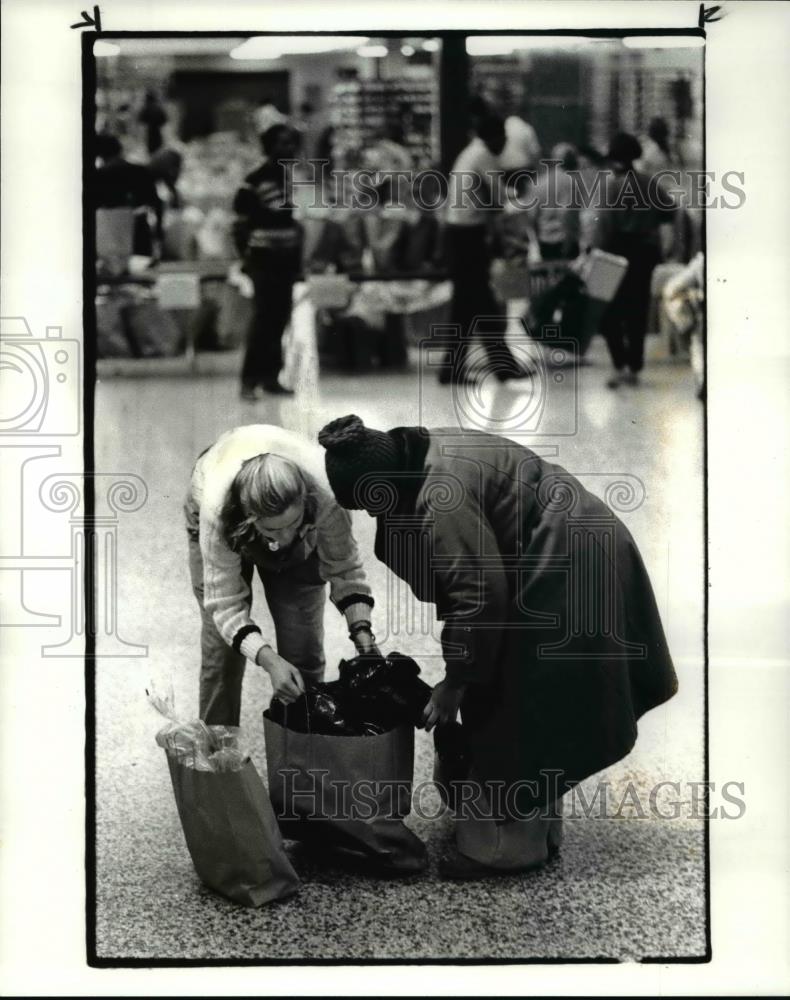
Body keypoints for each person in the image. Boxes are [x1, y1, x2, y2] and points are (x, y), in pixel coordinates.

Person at [318, 414, 677, 879]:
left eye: (369, 505)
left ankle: (505, 848)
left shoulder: (440, 501)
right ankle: (539, 826)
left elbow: (479, 596)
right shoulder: (420, 450)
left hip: (565, 572)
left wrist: (456, 683)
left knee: (514, 704)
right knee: (531, 698)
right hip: (580, 545)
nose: (372, 514)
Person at [184, 424, 378, 726]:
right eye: (274, 529)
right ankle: (217, 760)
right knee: (221, 656)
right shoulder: (219, 510)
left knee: (304, 652)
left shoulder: (325, 495)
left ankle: (298, 749)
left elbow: (345, 569)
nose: (285, 537)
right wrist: (269, 660)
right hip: (220, 497)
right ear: (250, 518)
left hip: (301, 521)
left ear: (305, 500)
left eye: (293, 522)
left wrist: (362, 634)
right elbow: (224, 604)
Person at [443, 113, 532, 385]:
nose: (505, 144)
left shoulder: (472, 153)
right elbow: (498, 198)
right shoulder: (483, 156)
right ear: (493, 137)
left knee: (468, 307)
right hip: (469, 236)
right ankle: (501, 366)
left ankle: (454, 369)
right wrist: (523, 198)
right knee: (481, 304)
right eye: (503, 138)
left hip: (460, 235)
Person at [592, 132, 676, 388]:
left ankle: (620, 363)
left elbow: (604, 226)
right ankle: (634, 366)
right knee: (636, 310)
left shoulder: (610, 186)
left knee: (606, 310)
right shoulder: (649, 183)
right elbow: (669, 211)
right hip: (644, 252)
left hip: (614, 250)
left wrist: (593, 251)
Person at [233, 123, 303, 399]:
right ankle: (249, 381)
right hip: (265, 259)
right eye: (282, 143)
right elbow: (241, 223)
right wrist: (246, 258)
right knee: (265, 320)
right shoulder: (259, 179)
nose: (288, 149)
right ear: (269, 146)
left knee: (278, 318)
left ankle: (270, 377)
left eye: (291, 143)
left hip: (282, 258)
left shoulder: (281, 177)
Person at [95, 133, 162, 257]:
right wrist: (158, 234)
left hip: (109, 234)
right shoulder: (140, 171)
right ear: (120, 149)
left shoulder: (99, 176)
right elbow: (156, 202)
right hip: (139, 232)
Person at [529, 142, 582, 261]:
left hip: (545, 240)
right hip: (565, 240)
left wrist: (537, 241)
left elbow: (532, 216)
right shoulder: (571, 181)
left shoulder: (539, 182)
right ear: (570, 160)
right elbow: (565, 213)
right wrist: (569, 241)